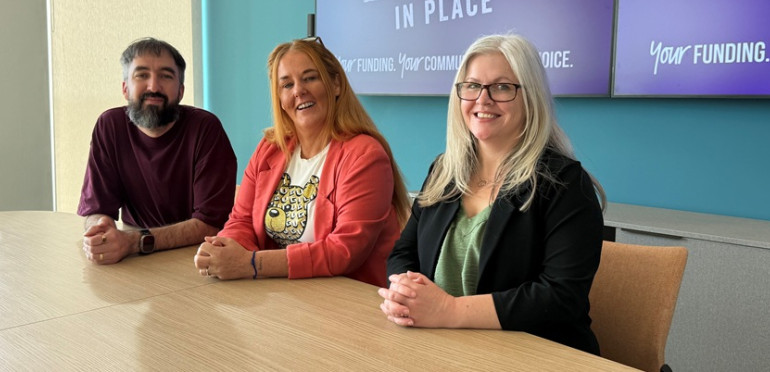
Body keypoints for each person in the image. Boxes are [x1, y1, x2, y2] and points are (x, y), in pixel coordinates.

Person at [379, 34, 606, 354]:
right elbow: (403, 253)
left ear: (531, 98)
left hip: (535, 354)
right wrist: (404, 292)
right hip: (442, 347)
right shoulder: (444, 172)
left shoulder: (565, 184)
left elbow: (560, 296)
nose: (482, 100)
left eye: (502, 87)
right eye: (471, 86)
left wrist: (448, 311)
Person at [194, 37, 411, 287]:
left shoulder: (365, 155)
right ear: (279, 97)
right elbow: (241, 221)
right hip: (283, 293)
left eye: (310, 78)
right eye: (287, 84)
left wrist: (253, 264)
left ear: (336, 84)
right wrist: (224, 250)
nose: (298, 90)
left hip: (349, 301)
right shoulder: (270, 148)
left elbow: (343, 251)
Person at [78, 37, 237, 264]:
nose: (153, 86)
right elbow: (97, 208)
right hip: (137, 262)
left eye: (165, 76)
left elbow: (209, 224)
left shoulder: (205, 129)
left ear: (181, 90)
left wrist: (135, 242)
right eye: (142, 75)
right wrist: (100, 231)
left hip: (195, 258)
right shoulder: (109, 126)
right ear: (125, 88)